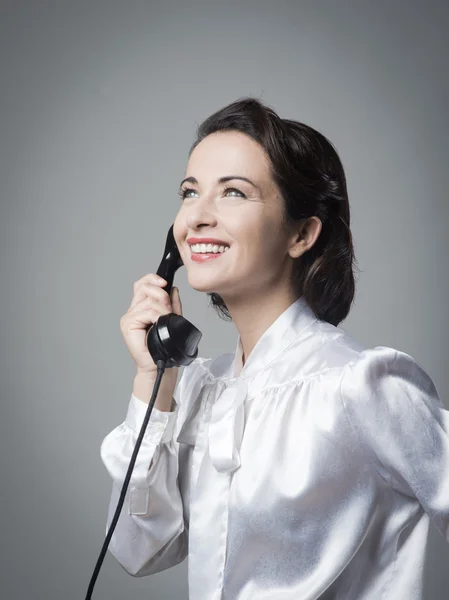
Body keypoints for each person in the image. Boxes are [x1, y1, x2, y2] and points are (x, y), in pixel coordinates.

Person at [100, 97, 448, 600]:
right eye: (189, 191)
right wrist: (155, 382)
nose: (196, 216)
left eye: (233, 193)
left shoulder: (358, 386)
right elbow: (137, 549)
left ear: (302, 233)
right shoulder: (201, 390)